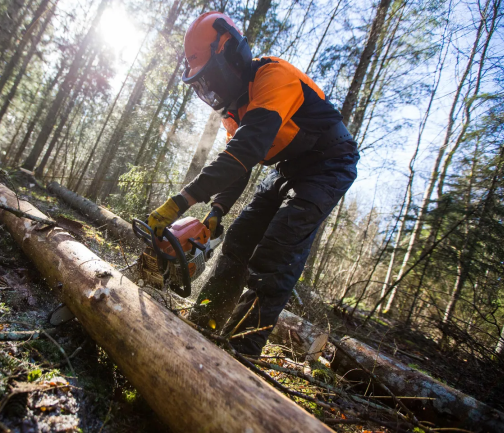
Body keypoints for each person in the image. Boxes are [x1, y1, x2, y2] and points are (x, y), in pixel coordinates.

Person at [147, 11, 359, 356]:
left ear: (230, 54)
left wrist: (182, 200)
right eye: (202, 83)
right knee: (239, 238)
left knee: (277, 250)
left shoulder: (272, 77)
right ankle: (205, 323)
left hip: (329, 164)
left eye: (210, 77)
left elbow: (247, 149)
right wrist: (216, 211)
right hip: (289, 168)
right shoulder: (235, 111)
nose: (209, 88)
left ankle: (241, 350)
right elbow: (239, 166)